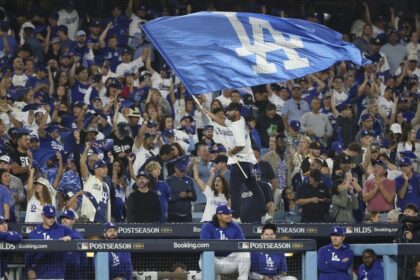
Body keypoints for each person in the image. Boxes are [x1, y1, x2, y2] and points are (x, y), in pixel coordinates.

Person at [25, 205, 82, 280]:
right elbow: (28, 254)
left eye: (53, 217)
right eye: (49, 217)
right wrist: (29, 269)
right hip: (40, 274)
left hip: (57, 274)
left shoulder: (62, 228)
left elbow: (78, 235)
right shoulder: (34, 233)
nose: (51, 219)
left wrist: (70, 237)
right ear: (43, 216)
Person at [199, 204, 250, 280]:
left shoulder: (235, 226)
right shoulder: (207, 226)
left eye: (230, 213)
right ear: (218, 216)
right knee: (207, 254)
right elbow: (205, 246)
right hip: (213, 259)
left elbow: (241, 244)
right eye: (226, 214)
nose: (229, 215)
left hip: (230, 259)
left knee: (245, 253)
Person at [59, 210, 87, 280]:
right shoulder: (57, 233)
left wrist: (71, 237)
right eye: (63, 218)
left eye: (67, 218)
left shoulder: (78, 235)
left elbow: (83, 258)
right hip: (60, 271)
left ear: (73, 220)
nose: (64, 220)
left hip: (74, 272)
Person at [0, 215, 22, 280]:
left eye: (4, 222)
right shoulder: (9, 234)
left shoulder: (9, 233)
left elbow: (18, 237)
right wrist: (7, 235)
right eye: (1, 224)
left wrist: (4, 235)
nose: (4, 225)